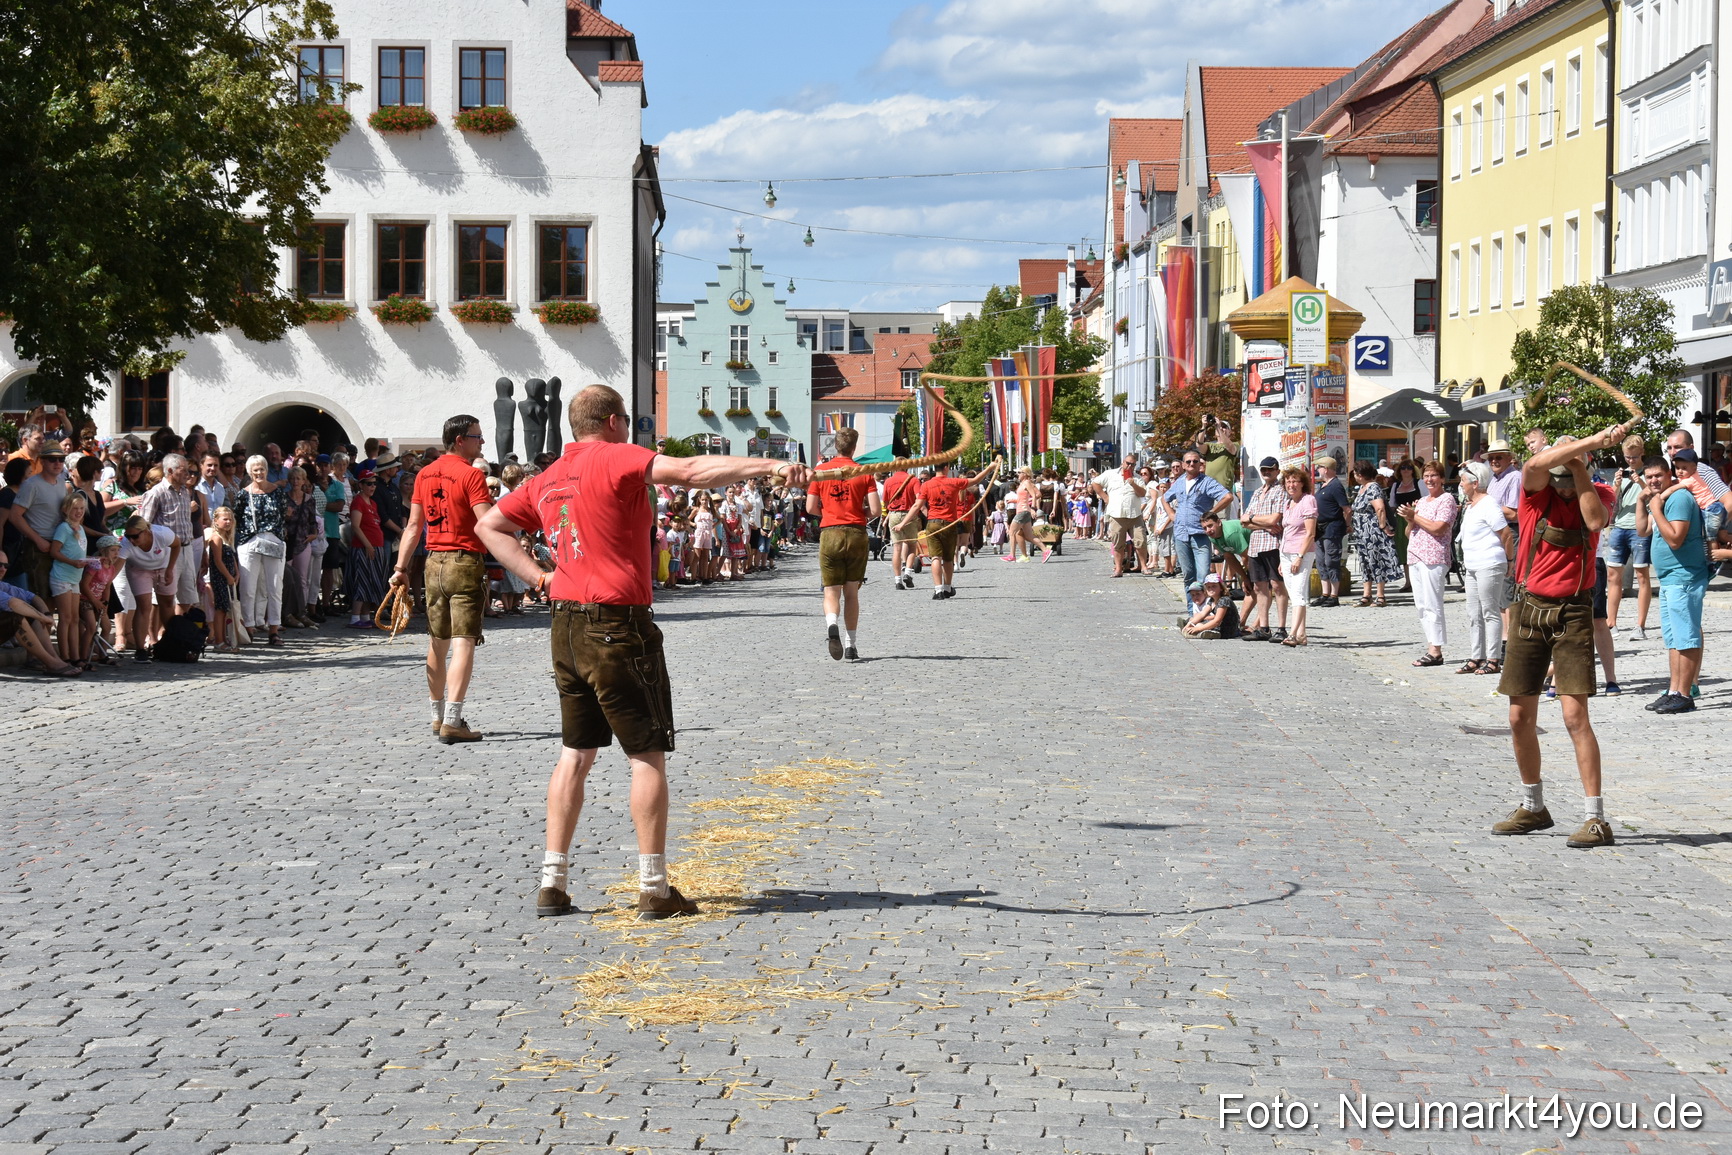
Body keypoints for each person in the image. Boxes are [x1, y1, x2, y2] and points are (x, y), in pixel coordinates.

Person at [475, 383, 812, 921]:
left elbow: (488, 525)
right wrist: (764, 467)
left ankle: (552, 882)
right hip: (616, 626)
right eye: (625, 418)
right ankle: (654, 887)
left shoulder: (548, 476)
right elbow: (690, 471)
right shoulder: (614, 458)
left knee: (575, 753)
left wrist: (538, 577)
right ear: (611, 421)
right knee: (646, 754)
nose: (628, 426)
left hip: (565, 627)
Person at [1493, 420, 1629, 850]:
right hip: (1530, 608)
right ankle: (1534, 806)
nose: (1564, 487)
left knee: (1575, 718)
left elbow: (1594, 522)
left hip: (1573, 611)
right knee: (1518, 717)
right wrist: (1585, 445)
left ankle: (1595, 818)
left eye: (1568, 478)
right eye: (1560, 478)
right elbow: (1534, 463)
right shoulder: (1534, 494)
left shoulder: (1598, 491)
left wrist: (1580, 467)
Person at [391, 415, 495, 744]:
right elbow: (487, 522)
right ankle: (453, 718)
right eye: (478, 437)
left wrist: (400, 568)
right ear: (461, 439)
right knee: (464, 640)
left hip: (433, 562)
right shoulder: (471, 475)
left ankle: (436, 717)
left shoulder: (424, 473)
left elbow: (412, 527)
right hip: (464, 561)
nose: (482, 443)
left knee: (438, 640)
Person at [1638, 454, 1710, 714]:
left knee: (1686, 637)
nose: (1654, 480)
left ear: (1669, 474)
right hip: (1670, 578)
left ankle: (1685, 693)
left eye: (1659, 475)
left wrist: (1656, 509)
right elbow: (1642, 531)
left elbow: (1676, 539)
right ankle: (1673, 690)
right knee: (1674, 639)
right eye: (1649, 477)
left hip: (1685, 577)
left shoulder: (1678, 498)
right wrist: (1643, 502)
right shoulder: (1664, 498)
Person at [808, 427, 879, 660]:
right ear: (854, 447)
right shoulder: (864, 471)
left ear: (835, 445)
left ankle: (831, 625)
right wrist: (858, 513)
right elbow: (876, 510)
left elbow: (810, 508)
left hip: (830, 532)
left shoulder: (820, 471)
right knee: (851, 592)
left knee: (831, 590)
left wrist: (829, 513)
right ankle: (851, 644)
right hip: (857, 532)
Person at [896, 460, 998, 599]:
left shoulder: (926, 485)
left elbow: (916, 506)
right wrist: (989, 468)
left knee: (935, 557)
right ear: (946, 468)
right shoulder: (954, 482)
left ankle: (938, 590)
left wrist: (902, 524)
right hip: (949, 524)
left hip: (933, 523)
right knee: (948, 559)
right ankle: (947, 587)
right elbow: (975, 480)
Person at [1456, 461, 1514, 675]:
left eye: (1463, 481)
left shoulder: (1489, 504)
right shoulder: (1471, 506)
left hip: (1489, 563)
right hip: (1472, 565)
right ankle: (1476, 655)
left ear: (1475, 482)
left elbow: (1505, 534)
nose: (1461, 484)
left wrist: (1509, 561)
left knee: (1490, 611)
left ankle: (1493, 658)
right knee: (1473, 612)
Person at [1399, 461, 1458, 668]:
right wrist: (1410, 519)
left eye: (1433, 476)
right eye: (1426, 476)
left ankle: (1436, 650)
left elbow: (1438, 528)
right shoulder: (1422, 501)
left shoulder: (1446, 499)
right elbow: (1409, 533)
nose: (1430, 480)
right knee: (1421, 605)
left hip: (1433, 557)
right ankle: (1431, 644)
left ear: (1442, 478)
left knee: (1433, 603)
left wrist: (1414, 516)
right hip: (1415, 556)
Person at [1161, 450, 1232, 613]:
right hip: (1181, 534)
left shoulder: (1207, 482)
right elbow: (1164, 498)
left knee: (1203, 576)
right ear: (1184, 465)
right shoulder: (1178, 483)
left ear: (1200, 464)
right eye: (1188, 462)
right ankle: (1193, 612)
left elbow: (1228, 497)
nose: (1192, 464)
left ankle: (1208, 612)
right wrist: (1172, 515)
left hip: (1200, 536)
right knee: (1188, 576)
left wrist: (1211, 514)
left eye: (1195, 461)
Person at [0, 550, 84, 676]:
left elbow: (33, 597)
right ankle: (51, 662)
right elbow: (14, 604)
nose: (3, 569)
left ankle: (54, 659)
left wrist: (46, 614)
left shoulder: (2, 585)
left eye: (6, 566)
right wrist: (43, 617)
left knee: (33, 615)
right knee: (17, 617)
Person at [233, 454, 287, 647]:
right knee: (248, 587)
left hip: (273, 541)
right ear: (249, 472)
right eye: (255, 469)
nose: (259, 472)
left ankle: (274, 629)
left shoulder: (277, 492)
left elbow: (282, 515)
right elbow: (237, 518)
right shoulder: (243, 494)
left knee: (275, 587)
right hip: (249, 542)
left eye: (262, 468)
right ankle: (248, 627)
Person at [1603, 434, 1653, 640]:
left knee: (1642, 576)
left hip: (1639, 528)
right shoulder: (1622, 473)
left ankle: (1640, 625)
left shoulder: (1649, 473)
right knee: (1613, 576)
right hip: (1620, 526)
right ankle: (1611, 622)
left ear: (1641, 453)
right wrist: (1615, 485)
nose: (1630, 461)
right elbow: (1614, 503)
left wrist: (1641, 481)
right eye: (1627, 457)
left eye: (1633, 457)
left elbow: (1654, 496)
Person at [138, 453, 197, 616]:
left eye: (189, 470)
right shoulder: (156, 493)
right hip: (166, 551)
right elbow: (144, 525)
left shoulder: (185, 491)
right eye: (184, 470)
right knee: (162, 599)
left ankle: (171, 633)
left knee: (187, 598)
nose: (188, 474)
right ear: (170, 470)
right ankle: (154, 638)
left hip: (186, 548)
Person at [7, 442, 70, 595]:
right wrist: (37, 540)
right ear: (42, 461)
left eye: (61, 459)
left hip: (58, 545)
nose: (57, 463)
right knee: (39, 595)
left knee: (55, 597)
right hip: (38, 548)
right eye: (52, 459)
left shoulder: (62, 483)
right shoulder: (31, 484)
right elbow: (14, 516)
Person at [1240, 457, 1290, 641]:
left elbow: (1274, 520)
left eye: (1270, 469)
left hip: (1273, 544)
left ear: (1277, 471)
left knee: (1277, 585)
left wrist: (1255, 519)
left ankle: (1282, 628)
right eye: (1264, 470)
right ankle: (1264, 627)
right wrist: (1261, 523)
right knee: (1259, 586)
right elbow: (1243, 521)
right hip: (1256, 545)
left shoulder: (1280, 491)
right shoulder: (1257, 492)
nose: (1266, 472)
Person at [119, 514, 178, 661]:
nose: (131, 540)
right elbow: (117, 565)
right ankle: (140, 649)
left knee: (167, 603)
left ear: (145, 531)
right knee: (144, 605)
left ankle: (171, 643)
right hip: (139, 569)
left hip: (163, 566)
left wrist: (170, 569)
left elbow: (177, 544)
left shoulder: (162, 534)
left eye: (135, 536)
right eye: (128, 536)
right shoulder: (126, 544)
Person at [46, 490, 90, 667]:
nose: (78, 512)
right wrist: (72, 562)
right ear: (66, 510)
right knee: (65, 618)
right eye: (75, 508)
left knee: (73, 618)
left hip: (74, 577)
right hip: (62, 576)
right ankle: (64, 656)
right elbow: (54, 551)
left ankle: (75, 655)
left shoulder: (80, 528)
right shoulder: (64, 528)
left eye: (81, 508)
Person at [1350, 461, 1402, 607]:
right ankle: (1366, 595)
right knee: (1365, 562)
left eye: (1355, 473)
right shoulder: (1362, 488)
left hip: (1372, 531)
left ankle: (1380, 595)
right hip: (1362, 532)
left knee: (1376, 561)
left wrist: (1382, 525)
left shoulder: (1373, 487)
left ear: (1360, 474)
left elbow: (1379, 508)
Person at [1276, 466, 1315, 647]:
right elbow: (1286, 531)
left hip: (1302, 552)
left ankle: (1292, 634)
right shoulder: (1288, 503)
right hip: (1285, 553)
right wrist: (1281, 558)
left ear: (1302, 484)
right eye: (1288, 481)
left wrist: (1300, 556)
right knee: (1294, 593)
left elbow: (1310, 533)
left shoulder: (1308, 501)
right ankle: (1301, 634)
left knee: (1298, 594)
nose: (1291, 485)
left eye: (1294, 481)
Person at [345, 468, 388, 629]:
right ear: (361, 485)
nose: (372, 487)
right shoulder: (358, 501)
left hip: (376, 547)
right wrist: (368, 545)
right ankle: (355, 617)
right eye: (369, 484)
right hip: (363, 548)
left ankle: (365, 616)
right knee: (361, 582)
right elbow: (356, 526)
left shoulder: (373, 503)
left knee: (371, 582)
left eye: (374, 484)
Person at [1092, 457, 1147, 577]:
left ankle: (1143, 566)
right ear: (1123, 462)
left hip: (1134, 514)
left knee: (1141, 541)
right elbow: (1095, 483)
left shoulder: (1137, 478)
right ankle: (1118, 569)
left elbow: (1142, 493)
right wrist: (1104, 497)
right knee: (1118, 543)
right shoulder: (1110, 474)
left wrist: (1133, 483)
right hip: (1117, 514)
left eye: (1133, 464)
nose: (1130, 466)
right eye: (1128, 463)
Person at [1311, 457, 1350, 606]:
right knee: (1321, 561)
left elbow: (1346, 509)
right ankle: (1325, 593)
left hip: (1332, 527)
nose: (1318, 471)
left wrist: (1347, 525)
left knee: (1331, 560)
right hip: (1320, 528)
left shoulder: (1335, 486)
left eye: (1319, 468)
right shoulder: (1324, 486)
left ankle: (1334, 595)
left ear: (1326, 469)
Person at [881, 467, 923, 586]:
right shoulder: (913, 480)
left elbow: (885, 501)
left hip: (893, 514)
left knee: (896, 549)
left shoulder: (888, 481)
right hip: (909, 515)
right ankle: (908, 573)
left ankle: (897, 580)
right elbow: (918, 499)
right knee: (911, 545)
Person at [206, 505, 239, 650]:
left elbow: (231, 557)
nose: (228, 522)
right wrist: (228, 576)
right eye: (225, 519)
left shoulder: (226, 537)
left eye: (230, 519)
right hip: (220, 578)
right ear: (216, 520)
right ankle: (219, 640)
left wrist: (236, 573)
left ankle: (224, 637)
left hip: (228, 578)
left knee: (226, 609)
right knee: (221, 609)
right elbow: (218, 561)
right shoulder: (216, 538)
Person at [1179, 573, 1241, 638]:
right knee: (1197, 623)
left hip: (1228, 630)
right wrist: (1190, 624)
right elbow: (1202, 614)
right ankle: (1199, 632)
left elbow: (1217, 621)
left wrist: (1198, 629)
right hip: (1219, 626)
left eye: (1214, 586)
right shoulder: (1212, 600)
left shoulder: (1224, 600)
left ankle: (1203, 633)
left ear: (1221, 588)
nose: (1211, 589)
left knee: (1199, 626)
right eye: (1208, 587)